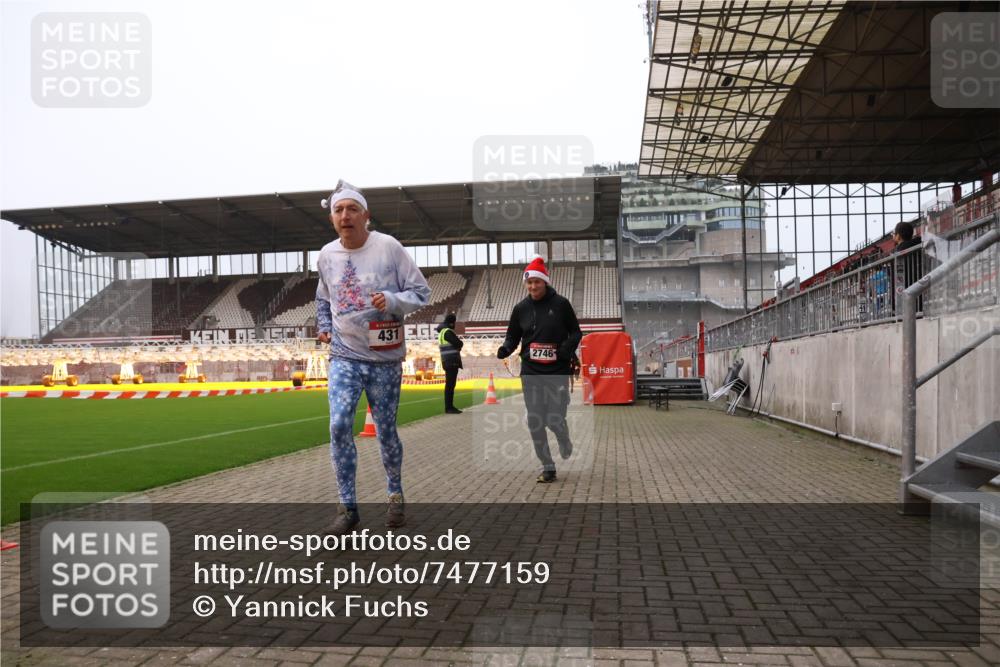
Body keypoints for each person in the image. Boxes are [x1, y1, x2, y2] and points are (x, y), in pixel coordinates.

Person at [315, 181, 431, 534]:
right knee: (337, 426)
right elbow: (322, 298)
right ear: (332, 218)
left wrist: (393, 300)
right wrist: (323, 325)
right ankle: (347, 507)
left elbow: (421, 292)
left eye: (352, 209)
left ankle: (394, 493)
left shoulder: (388, 248)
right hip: (344, 354)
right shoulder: (326, 255)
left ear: (366, 215)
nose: (345, 216)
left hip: (384, 358)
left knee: (385, 432)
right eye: (338, 210)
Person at [497, 256, 582, 483]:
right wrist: (506, 348)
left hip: (557, 372)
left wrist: (565, 349)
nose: (533, 286)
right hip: (531, 373)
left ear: (545, 281)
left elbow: (576, 333)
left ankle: (563, 438)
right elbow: (513, 336)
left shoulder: (561, 304)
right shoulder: (521, 308)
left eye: (537, 281)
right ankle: (548, 466)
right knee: (535, 420)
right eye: (529, 282)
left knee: (554, 419)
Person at [436, 312, 464, 414]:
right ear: (452, 323)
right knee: (450, 385)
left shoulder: (442, 332)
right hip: (451, 361)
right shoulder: (447, 332)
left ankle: (449, 407)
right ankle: (449, 407)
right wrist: (460, 345)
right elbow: (459, 343)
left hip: (446, 361)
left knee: (449, 385)